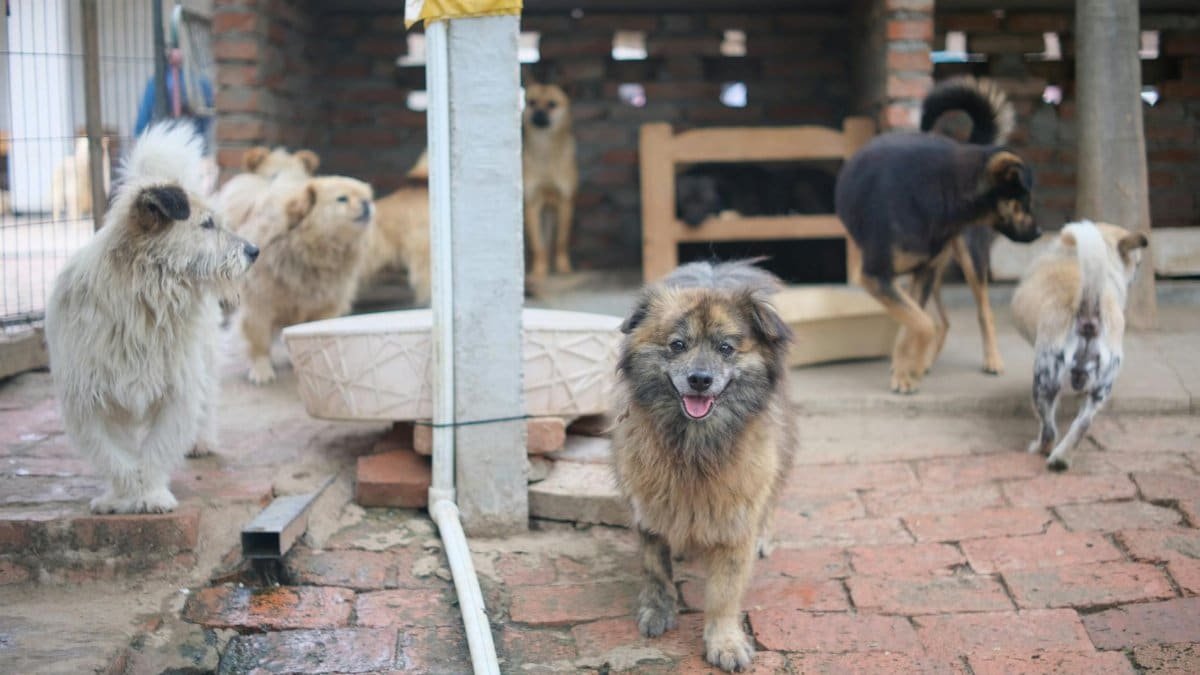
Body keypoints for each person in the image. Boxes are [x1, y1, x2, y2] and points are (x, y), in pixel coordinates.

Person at [134, 48, 214, 151]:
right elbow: (207, 115)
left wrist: (139, 137)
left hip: (165, 140)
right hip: (194, 141)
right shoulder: (200, 80)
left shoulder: (155, 82)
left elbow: (143, 118)